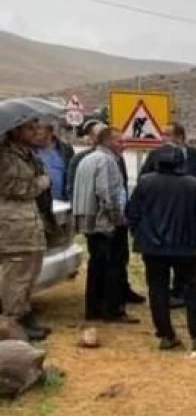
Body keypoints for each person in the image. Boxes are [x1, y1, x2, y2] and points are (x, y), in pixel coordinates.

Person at [126, 148, 196, 351]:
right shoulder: (195, 186)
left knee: (157, 290)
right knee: (192, 291)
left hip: (152, 247)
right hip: (184, 247)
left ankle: (166, 335)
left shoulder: (145, 183)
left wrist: (139, 233)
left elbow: (132, 212)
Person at [67, 122, 146, 306]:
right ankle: (111, 309)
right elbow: (107, 193)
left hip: (90, 222)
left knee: (97, 267)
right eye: (119, 141)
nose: (124, 145)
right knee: (110, 267)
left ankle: (94, 307)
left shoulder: (89, 159)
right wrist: (117, 218)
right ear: (108, 141)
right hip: (104, 223)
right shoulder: (107, 161)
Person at [139, 122, 196, 307]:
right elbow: (143, 186)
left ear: (180, 137)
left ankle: (182, 293)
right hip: (159, 223)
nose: (164, 139)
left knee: (188, 272)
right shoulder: (155, 156)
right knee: (160, 276)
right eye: (163, 134)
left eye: (168, 134)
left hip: (187, 222)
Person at [0, 119, 53, 341]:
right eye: (30, 128)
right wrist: (41, 183)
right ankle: (12, 326)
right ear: (16, 130)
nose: (36, 132)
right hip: (12, 224)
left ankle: (22, 316)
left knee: (29, 272)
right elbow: (13, 187)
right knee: (16, 275)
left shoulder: (26, 154)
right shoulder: (6, 156)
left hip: (27, 222)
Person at [36, 123, 74, 202]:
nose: (35, 134)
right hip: (39, 203)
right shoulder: (28, 151)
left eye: (39, 131)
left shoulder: (65, 150)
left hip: (62, 203)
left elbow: (72, 176)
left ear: (50, 131)